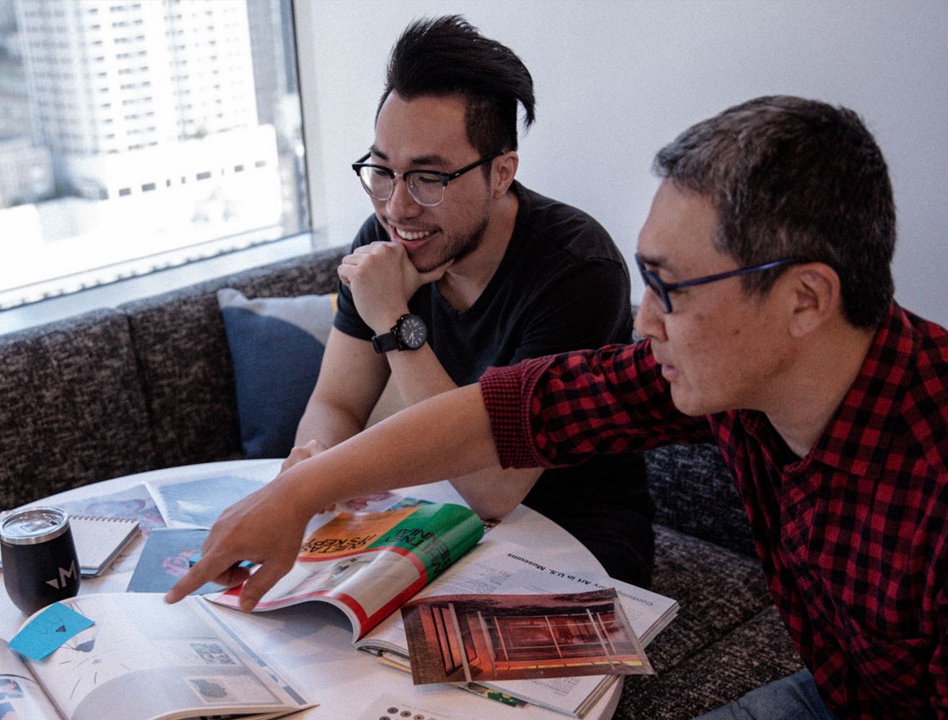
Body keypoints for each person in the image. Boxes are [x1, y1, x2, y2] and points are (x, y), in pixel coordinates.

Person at [169, 96, 947, 719]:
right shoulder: (732, 379)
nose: (645, 321)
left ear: (805, 299)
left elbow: (497, 481)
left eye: (671, 289)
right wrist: (297, 492)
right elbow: (505, 413)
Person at [288, 15, 655, 587]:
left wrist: (394, 319)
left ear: (502, 172)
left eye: (428, 179)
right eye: (383, 170)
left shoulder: (578, 269)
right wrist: (314, 467)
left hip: (572, 539)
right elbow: (337, 401)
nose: (397, 208)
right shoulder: (384, 238)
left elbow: (495, 488)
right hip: (435, 517)